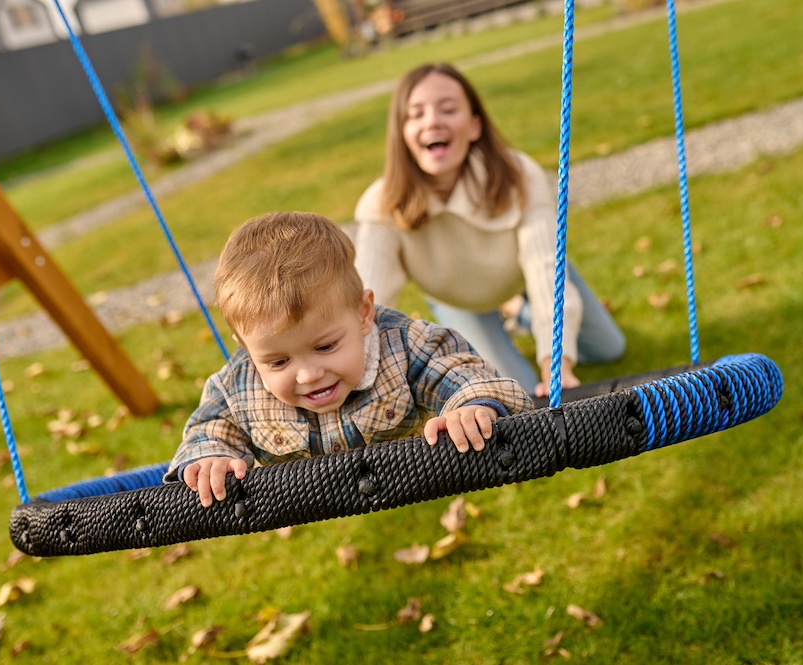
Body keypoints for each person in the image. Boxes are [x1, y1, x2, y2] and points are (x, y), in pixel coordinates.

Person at [164, 211, 533, 508]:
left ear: (363, 313)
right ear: (246, 346)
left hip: (405, 475)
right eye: (278, 362)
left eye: (325, 347)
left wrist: (470, 406)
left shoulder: (401, 346)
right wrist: (210, 458)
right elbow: (210, 430)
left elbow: (459, 371)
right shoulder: (238, 385)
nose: (308, 375)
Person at [353, 62, 626, 398]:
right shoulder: (381, 203)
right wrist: (355, 383)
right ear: (402, 133)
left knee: (609, 348)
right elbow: (366, 304)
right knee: (519, 393)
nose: (432, 121)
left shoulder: (519, 175)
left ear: (474, 126)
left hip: (523, 275)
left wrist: (557, 366)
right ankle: (511, 315)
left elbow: (545, 273)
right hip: (458, 300)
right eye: (415, 114)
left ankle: (519, 311)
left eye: (448, 109)